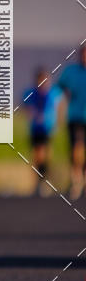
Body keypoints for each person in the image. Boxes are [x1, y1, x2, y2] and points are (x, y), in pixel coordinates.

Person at [22, 67, 62, 196]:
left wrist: (56, 123)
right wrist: (32, 115)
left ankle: (45, 180)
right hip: (35, 128)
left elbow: (59, 107)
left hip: (48, 128)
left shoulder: (53, 93)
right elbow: (26, 107)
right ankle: (38, 182)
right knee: (36, 155)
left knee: (46, 154)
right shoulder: (31, 93)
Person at [58, 45, 86, 199]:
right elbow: (59, 85)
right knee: (76, 147)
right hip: (75, 116)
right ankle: (77, 179)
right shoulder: (71, 71)